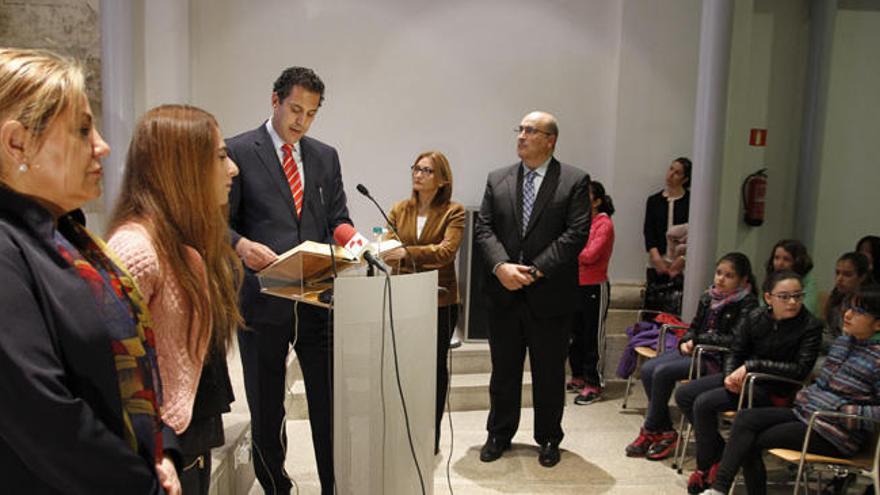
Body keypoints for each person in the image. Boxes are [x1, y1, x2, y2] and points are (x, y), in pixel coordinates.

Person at [0, 48, 180, 493]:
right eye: (82, 130)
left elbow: (132, 365)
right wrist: (142, 484)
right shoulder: (8, 247)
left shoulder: (70, 235)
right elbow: (45, 417)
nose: (102, 145)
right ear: (16, 143)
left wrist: (164, 454)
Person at [227, 66, 352, 495]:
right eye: (295, 109)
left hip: (318, 298)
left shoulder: (325, 156)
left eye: (311, 114)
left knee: (329, 402)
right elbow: (217, 223)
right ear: (275, 100)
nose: (301, 121)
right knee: (266, 404)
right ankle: (276, 484)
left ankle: (333, 484)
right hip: (261, 299)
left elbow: (338, 218)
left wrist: (354, 242)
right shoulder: (237, 152)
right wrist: (242, 245)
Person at [107, 104, 243, 494]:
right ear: (182, 166)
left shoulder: (181, 243)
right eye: (219, 157)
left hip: (187, 431)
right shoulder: (136, 249)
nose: (232, 169)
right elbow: (118, 373)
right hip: (160, 445)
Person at [474, 111, 591, 468]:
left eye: (530, 130)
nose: (522, 135)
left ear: (550, 139)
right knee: (504, 370)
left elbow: (576, 234)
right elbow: (484, 228)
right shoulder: (499, 179)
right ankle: (499, 433)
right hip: (505, 293)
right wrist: (501, 267)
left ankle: (549, 439)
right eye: (520, 129)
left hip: (550, 296)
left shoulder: (573, 180)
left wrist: (535, 270)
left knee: (549, 373)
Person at [703, 284, 880, 495]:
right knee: (745, 419)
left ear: (877, 324)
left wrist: (845, 412)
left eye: (858, 312)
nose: (848, 315)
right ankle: (719, 489)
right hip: (806, 414)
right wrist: (808, 394)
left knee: (750, 441)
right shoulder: (843, 343)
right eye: (848, 308)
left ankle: (720, 490)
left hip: (835, 433)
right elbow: (823, 385)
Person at [675, 270, 823, 494]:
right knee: (685, 394)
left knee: (705, 403)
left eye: (798, 295)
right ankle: (718, 455)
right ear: (768, 298)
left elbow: (799, 370)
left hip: (773, 387)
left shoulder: (810, 325)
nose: (793, 302)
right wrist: (729, 376)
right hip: (745, 380)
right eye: (784, 296)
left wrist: (751, 367)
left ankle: (706, 468)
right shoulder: (756, 317)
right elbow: (736, 350)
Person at [625, 253, 758, 461]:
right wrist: (686, 340)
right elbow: (693, 327)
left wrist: (698, 340)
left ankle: (651, 429)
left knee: (662, 372)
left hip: (717, 358)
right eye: (719, 273)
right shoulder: (708, 297)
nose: (721, 279)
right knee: (649, 368)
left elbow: (735, 340)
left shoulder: (748, 304)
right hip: (698, 350)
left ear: (743, 280)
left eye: (729, 276)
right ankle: (666, 430)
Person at [380, 150, 465, 454]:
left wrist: (408, 253)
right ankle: (401, 430)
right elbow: (386, 245)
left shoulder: (454, 212)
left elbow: (447, 252)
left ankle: (431, 435)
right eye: (416, 168)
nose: (418, 174)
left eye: (427, 170)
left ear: (442, 179)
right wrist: (400, 252)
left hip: (439, 299)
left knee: (433, 368)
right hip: (401, 295)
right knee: (401, 365)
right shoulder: (399, 209)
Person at [567, 180, 615, 405]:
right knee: (574, 334)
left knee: (592, 336)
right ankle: (578, 376)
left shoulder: (603, 224)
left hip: (594, 286)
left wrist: (568, 251)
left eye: (585, 196)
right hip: (574, 284)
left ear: (596, 201)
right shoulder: (579, 222)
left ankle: (594, 383)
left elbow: (589, 255)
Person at [643, 157, 691, 302]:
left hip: (682, 261)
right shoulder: (654, 200)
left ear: (685, 179)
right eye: (671, 169)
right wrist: (656, 258)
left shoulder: (691, 201)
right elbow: (648, 230)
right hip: (658, 259)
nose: (670, 175)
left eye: (677, 173)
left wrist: (682, 259)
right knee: (654, 302)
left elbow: (693, 234)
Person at [823, 252, 871, 350]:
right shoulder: (836, 299)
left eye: (847, 275)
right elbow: (829, 333)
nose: (839, 279)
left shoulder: (871, 303)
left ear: (862, 277)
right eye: (837, 273)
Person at [763, 239, 817, 315]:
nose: (780, 263)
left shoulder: (807, 281)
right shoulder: (771, 279)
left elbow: (807, 311)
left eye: (786, 259)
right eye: (776, 258)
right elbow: (763, 307)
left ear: (798, 262)